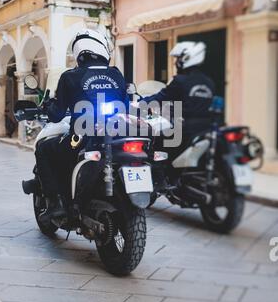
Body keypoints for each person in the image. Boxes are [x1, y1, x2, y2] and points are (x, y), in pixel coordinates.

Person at [32, 29, 128, 220]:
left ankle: (55, 202)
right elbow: (125, 105)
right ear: (102, 48)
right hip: (118, 136)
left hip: (82, 138)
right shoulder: (116, 74)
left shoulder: (70, 77)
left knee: (44, 149)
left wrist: (49, 107)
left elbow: (57, 115)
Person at [141, 41, 215, 158]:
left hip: (184, 129)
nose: (176, 62)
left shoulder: (180, 80)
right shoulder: (209, 82)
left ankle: (161, 174)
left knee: (155, 143)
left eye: (178, 58)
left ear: (186, 58)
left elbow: (161, 97)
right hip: (206, 127)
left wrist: (140, 103)